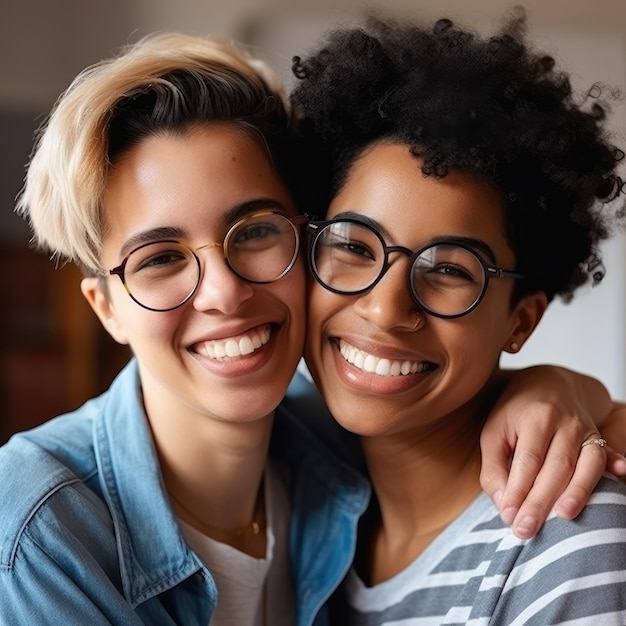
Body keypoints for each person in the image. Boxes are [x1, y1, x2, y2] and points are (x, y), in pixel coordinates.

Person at [0, 27, 623, 626]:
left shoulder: (325, 448)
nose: (224, 291)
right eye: (160, 259)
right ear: (105, 306)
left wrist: (556, 388)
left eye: (256, 232)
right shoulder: (41, 528)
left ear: (301, 237)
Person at [289, 9, 626, 623]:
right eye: (354, 246)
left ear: (519, 322)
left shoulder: (566, 536)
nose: (386, 308)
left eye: (448, 270)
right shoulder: (293, 482)